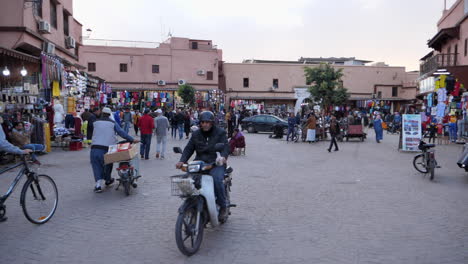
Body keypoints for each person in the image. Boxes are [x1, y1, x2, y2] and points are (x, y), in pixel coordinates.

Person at [176, 111, 230, 221]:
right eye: (203, 122)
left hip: (215, 163)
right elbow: (189, 148)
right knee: (188, 179)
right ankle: (192, 202)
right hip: (199, 163)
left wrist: (223, 157)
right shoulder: (196, 134)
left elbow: (225, 147)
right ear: (200, 123)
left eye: (207, 122)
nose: (205, 124)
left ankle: (223, 206)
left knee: (217, 180)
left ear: (212, 123)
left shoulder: (220, 132)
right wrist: (182, 161)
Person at [90, 107, 137, 193]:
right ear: (109, 114)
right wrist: (132, 139)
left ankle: (98, 185)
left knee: (96, 165)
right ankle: (107, 180)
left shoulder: (95, 123)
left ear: (102, 113)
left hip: (95, 148)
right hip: (107, 149)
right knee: (108, 164)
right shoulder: (113, 123)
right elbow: (121, 133)